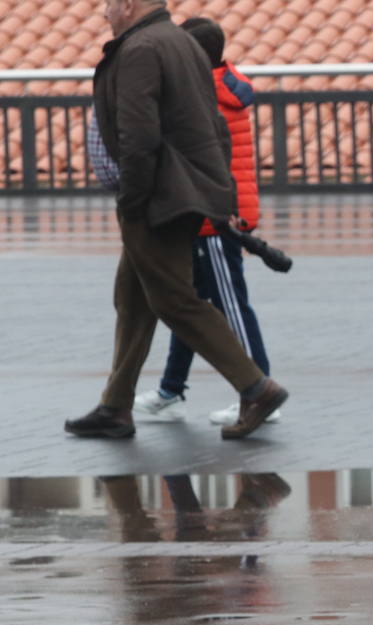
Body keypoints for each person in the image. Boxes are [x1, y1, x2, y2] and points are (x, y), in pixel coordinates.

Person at [65, 0, 287, 442]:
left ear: (128, 6)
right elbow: (212, 126)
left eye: (109, 6)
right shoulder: (178, 43)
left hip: (159, 198)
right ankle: (115, 405)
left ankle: (256, 387)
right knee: (132, 298)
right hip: (185, 190)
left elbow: (139, 135)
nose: (105, 14)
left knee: (173, 299)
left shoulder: (141, 49)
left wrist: (133, 198)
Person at [132, 17, 282, 428]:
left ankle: (258, 390)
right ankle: (170, 390)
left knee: (229, 306)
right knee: (191, 307)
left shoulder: (201, 95)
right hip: (220, 211)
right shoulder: (226, 85)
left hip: (216, 217)